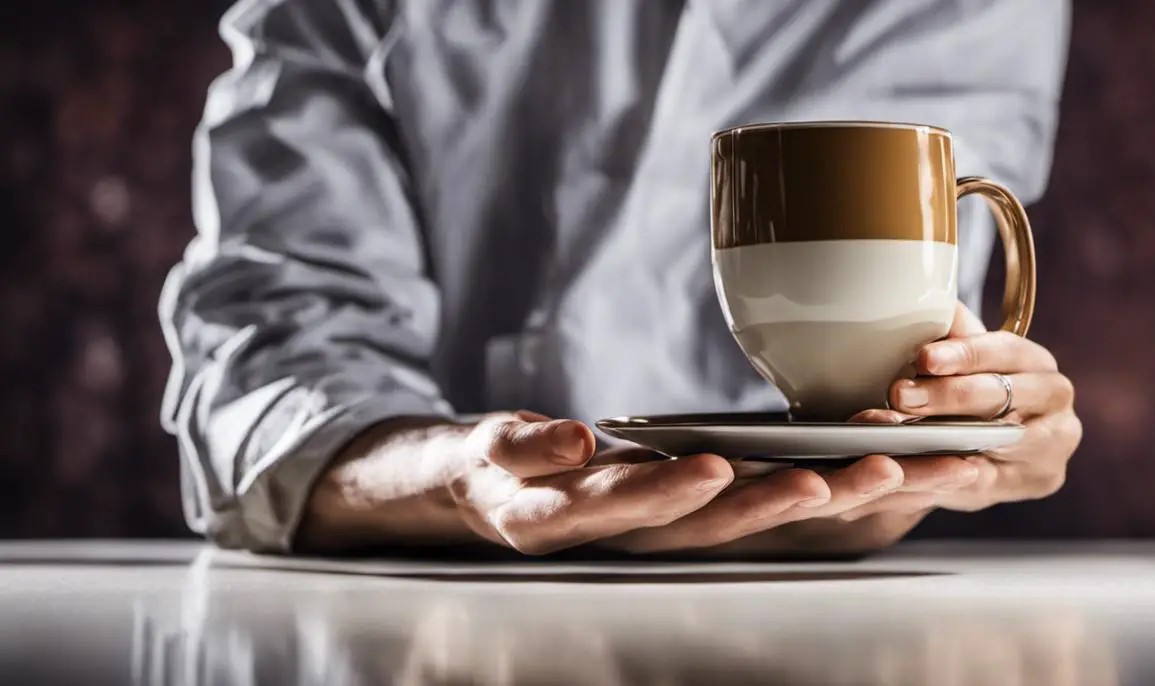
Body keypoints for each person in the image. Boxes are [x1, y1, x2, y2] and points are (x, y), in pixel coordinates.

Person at [160, 0, 1080, 556]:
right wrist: (455, 479)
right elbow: (268, 354)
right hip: (439, 622)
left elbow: (918, 328)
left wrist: (966, 410)